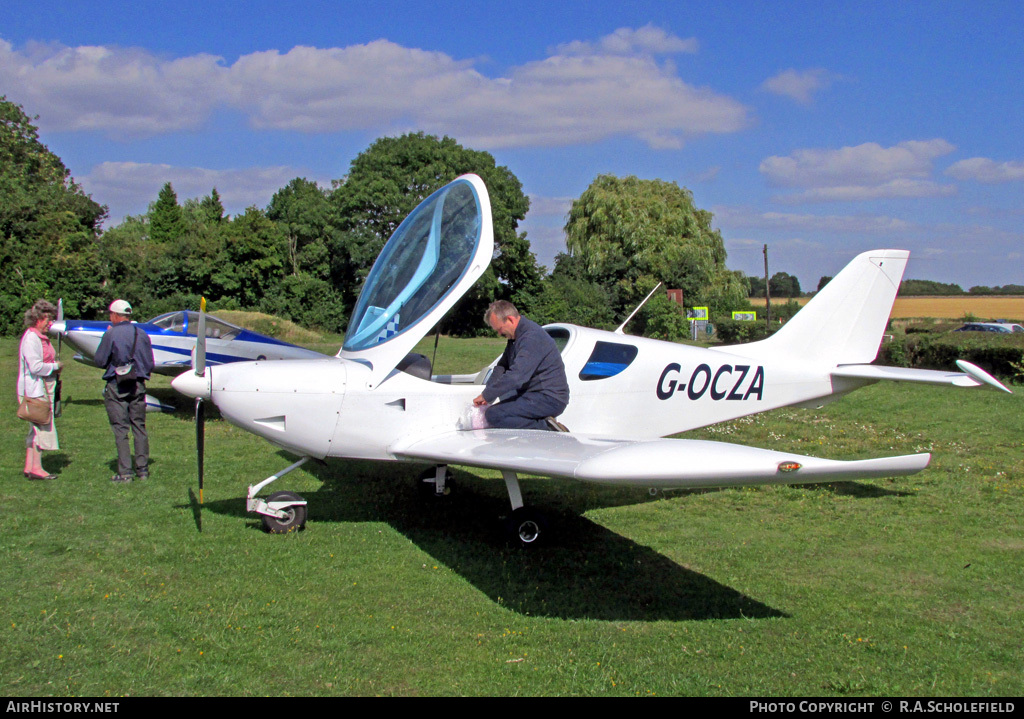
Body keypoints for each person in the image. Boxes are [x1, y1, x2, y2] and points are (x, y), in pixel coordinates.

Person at [473, 300, 569, 430]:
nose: (499, 334)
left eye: (500, 329)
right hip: (533, 394)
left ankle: (548, 428)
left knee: (494, 415)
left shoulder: (531, 337)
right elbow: (502, 367)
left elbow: (517, 377)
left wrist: (487, 395)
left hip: (550, 398)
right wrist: (487, 393)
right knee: (497, 407)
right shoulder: (515, 337)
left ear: (510, 320)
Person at [94, 300, 155, 483]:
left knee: (121, 429)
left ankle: (125, 473)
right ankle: (142, 470)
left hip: (117, 385)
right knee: (139, 426)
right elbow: (149, 363)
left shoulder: (111, 334)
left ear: (114, 315)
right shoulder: (142, 333)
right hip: (138, 385)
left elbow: (100, 360)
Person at [17, 300, 62, 480]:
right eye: (47, 319)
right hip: (35, 390)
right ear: (38, 319)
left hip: (40, 387)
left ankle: (30, 466)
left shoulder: (39, 338)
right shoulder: (31, 339)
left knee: (34, 429)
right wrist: (54, 367)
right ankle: (37, 468)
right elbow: (35, 367)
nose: (49, 324)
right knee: (41, 429)